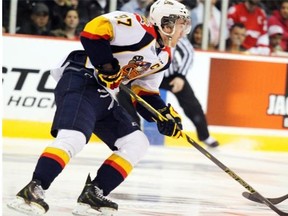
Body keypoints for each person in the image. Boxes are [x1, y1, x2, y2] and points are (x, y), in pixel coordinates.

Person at [7, 0, 191, 215]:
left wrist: (162, 115)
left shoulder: (164, 57)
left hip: (104, 94)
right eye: (181, 24)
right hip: (81, 79)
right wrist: (106, 65)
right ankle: (33, 189)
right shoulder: (139, 28)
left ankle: (94, 193)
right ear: (166, 24)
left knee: (136, 143)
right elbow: (93, 31)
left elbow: (143, 92)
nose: (184, 31)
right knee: (73, 137)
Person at [118, 36, 219, 148]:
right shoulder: (144, 33)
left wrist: (181, 75)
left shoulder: (173, 32)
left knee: (192, 104)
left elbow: (188, 53)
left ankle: (205, 136)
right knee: (125, 97)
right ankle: (134, 133)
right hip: (145, 75)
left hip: (172, 76)